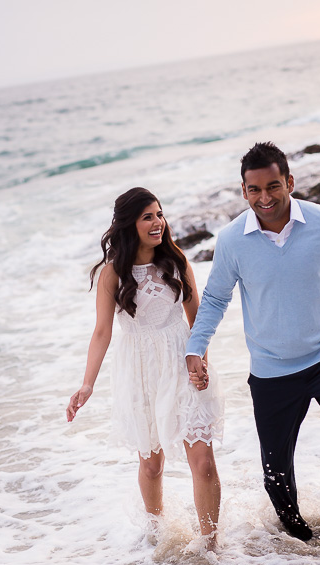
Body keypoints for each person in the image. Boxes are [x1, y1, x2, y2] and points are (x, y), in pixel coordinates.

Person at [185, 142, 320, 542]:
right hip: (272, 371)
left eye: (273, 186)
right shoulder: (231, 241)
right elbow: (216, 299)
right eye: (254, 190)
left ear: (290, 182)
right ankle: (302, 547)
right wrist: (195, 348)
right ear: (244, 191)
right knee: (276, 475)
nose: (265, 197)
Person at [67, 187, 224, 544]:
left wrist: (201, 362)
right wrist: (87, 384)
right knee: (152, 466)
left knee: (203, 462)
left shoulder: (176, 260)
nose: (158, 223)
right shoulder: (112, 275)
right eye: (147, 217)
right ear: (129, 224)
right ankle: (158, 539)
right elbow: (102, 332)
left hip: (183, 364)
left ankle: (211, 548)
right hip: (139, 372)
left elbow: (198, 318)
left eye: (159, 214)